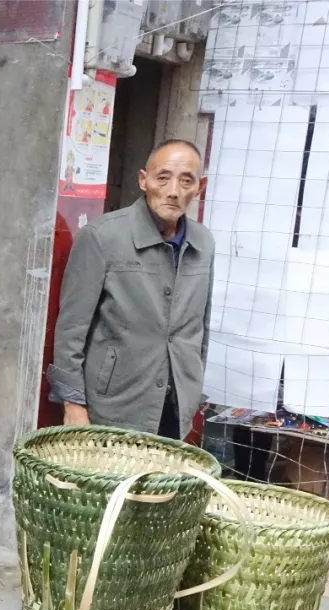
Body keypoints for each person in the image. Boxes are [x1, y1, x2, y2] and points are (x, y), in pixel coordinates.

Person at [47, 139, 214, 440]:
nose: (173, 190)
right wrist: (73, 402)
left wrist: (192, 389)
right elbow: (71, 328)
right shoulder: (102, 237)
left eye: (186, 180)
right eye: (163, 177)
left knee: (161, 487)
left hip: (174, 409)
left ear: (199, 187)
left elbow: (200, 326)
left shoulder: (204, 244)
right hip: (113, 407)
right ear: (143, 180)